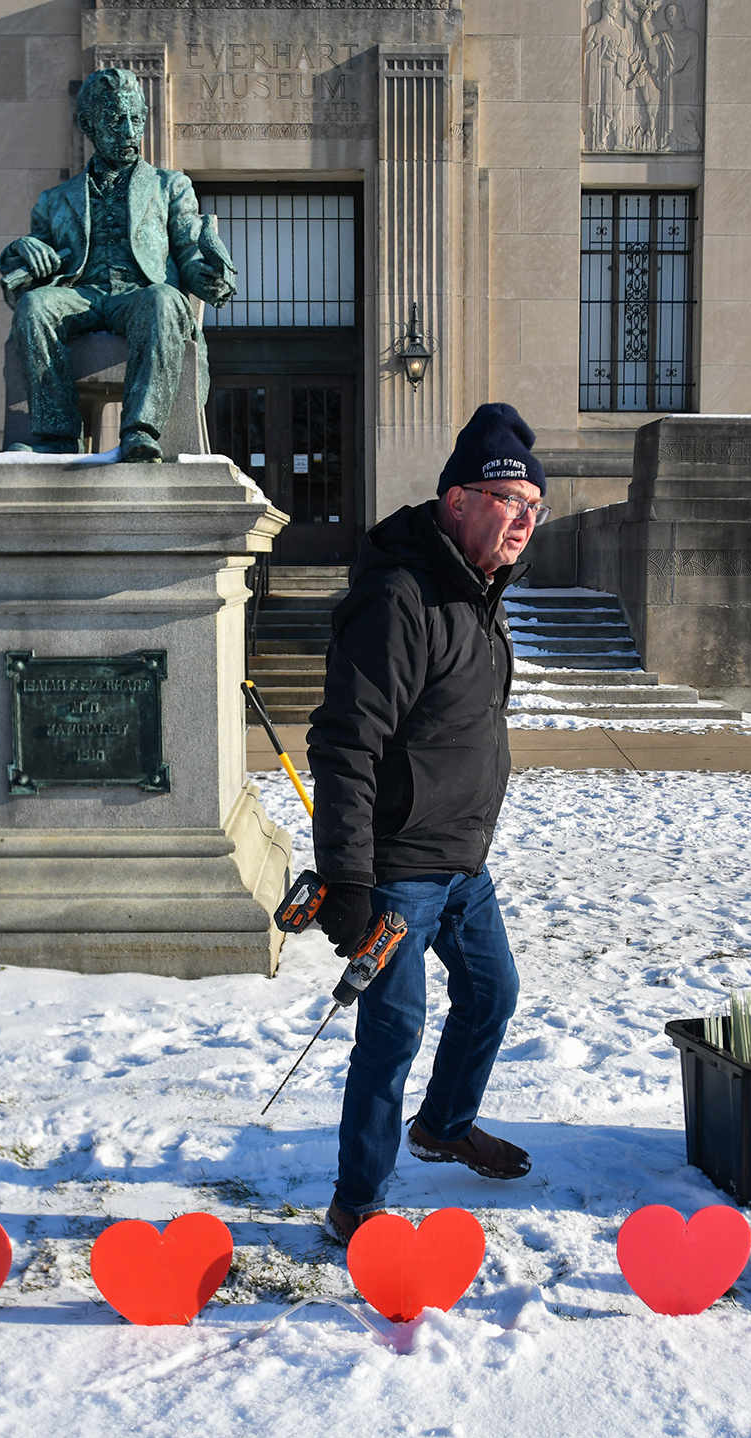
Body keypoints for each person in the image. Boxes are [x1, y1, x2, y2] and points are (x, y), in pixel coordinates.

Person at [304, 404, 551, 1244]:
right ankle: (357, 1203)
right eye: (507, 498)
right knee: (394, 1027)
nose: (523, 518)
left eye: (533, 505)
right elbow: (346, 742)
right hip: (401, 866)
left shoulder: (481, 594)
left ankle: (443, 1124)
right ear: (455, 501)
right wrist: (347, 876)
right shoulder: (401, 599)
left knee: (492, 992)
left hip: (462, 862)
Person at [0, 69, 238, 461]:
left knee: (163, 299)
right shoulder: (55, 200)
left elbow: (190, 248)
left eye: (136, 119)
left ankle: (141, 432)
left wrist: (209, 276)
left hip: (140, 296)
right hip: (82, 295)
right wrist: (20, 251)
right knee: (35, 306)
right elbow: (28, 272)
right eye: (116, 120)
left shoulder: (169, 186)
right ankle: (57, 435)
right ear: (89, 125)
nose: (129, 131)